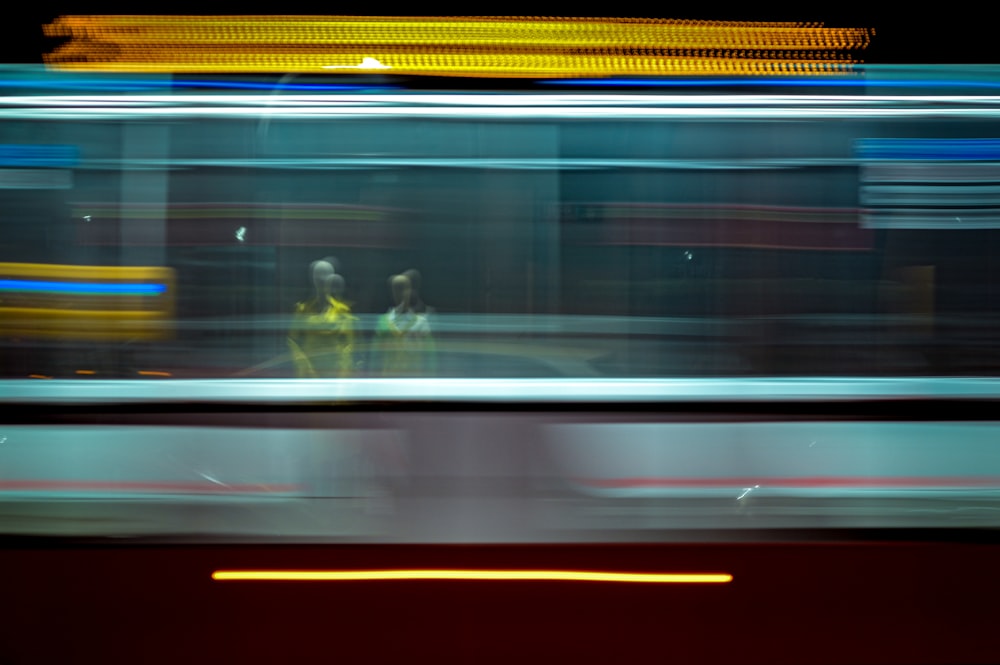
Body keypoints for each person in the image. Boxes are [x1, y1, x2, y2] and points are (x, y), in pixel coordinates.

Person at [288, 261, 356, 378]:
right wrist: (305, 367)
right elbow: (293, 342)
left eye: (325, 274)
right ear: (312, 279)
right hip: (309, 372)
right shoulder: (302, 310)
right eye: (317, 275)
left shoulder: (342, 311)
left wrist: (343, 371)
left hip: (336, 373)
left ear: (331, 279)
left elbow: (349, 345)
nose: (321, 279)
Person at [372, 273, 435, 376]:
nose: (400, 293)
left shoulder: (421, 323)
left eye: (404, 288)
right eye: (396, 289)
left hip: (413, 382)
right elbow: (375, 357)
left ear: (410, 291)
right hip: (388, 382)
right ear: (392, 292)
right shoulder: (382, 322)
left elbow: (430, 359)